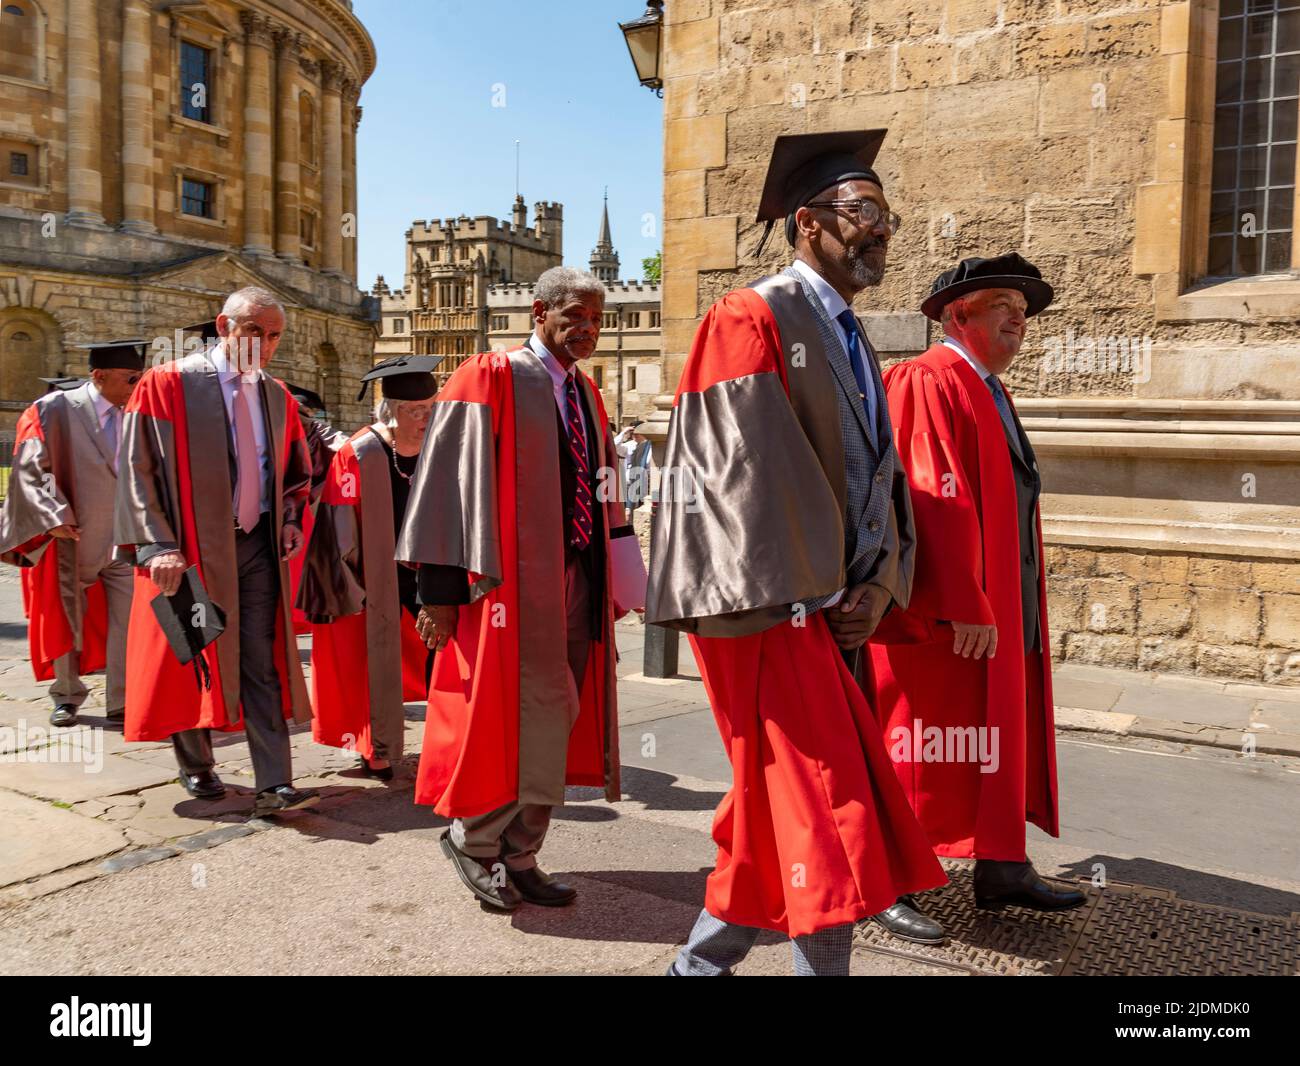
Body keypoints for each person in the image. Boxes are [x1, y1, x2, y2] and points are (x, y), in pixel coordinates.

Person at [646, 129, 947, 976]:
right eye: (864, 211)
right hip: (774, 610)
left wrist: (880, 586)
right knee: (829, 809)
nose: (881, 229)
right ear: (808, 224)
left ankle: (697, 969)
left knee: (777, 813)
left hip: (838, 611)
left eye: (887, 213)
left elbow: (883, 481)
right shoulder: (751, 317)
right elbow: (740, 479)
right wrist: (819, 594)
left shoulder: (856, 339)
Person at [397, 265, 633, 912]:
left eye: (595, 320)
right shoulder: (489, 377)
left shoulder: (586, 394)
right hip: (503, 589)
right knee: (506, 716)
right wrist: (438, 595)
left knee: (564, 712)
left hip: (578, 579)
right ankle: (474, 843)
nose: (587, 330)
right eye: (575, 317)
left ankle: (522, 851)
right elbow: (444, 484)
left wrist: (625, 565)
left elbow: (605, 485)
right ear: (538, 311)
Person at [869, 253, 1085, 913]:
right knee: (923, 741)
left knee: (991, 740)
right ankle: (893, 880)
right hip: (943, 619)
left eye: (1023, 316)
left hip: (1000, 609)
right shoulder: (926, 381)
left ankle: (1000, 866)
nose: (1020, 325)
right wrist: (964, 602)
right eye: (1005, 311)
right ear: (958, 315)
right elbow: (931, 499)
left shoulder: (989, 389)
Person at [114, 286, 319, 818]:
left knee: (262, 658)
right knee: (195, 652)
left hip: (256, 545)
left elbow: (295, 475)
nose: (265, 344)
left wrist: (291, 520)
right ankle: (198, 764)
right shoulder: (168, 384)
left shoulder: (275, 394)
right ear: (224, 326)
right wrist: (157, 543)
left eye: (274, 335)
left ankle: (275, 781)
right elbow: (137, 469)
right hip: (190, 549)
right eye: (254, 331)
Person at [297, 357, 441, 780]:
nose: (426, 418)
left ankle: (446, 739)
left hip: (426, 569)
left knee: (444, 653)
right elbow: (337, 527)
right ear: (391, 411)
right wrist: (349, 587)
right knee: (369, 663)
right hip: (370, 573)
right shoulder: (358, 453)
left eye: (432, 408)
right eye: (417, 410)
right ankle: (375, 748)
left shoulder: (440, 445)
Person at [0, 341, 143, 726]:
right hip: (73, 536)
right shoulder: (53, 411)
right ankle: (66, 695)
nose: (136, 384)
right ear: (99, 376)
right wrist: (53, 513)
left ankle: (122, 700)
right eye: (130, 378)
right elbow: (33, 468)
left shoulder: (137, 412)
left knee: (127, 620)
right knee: (65, 615)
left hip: (126, 538)